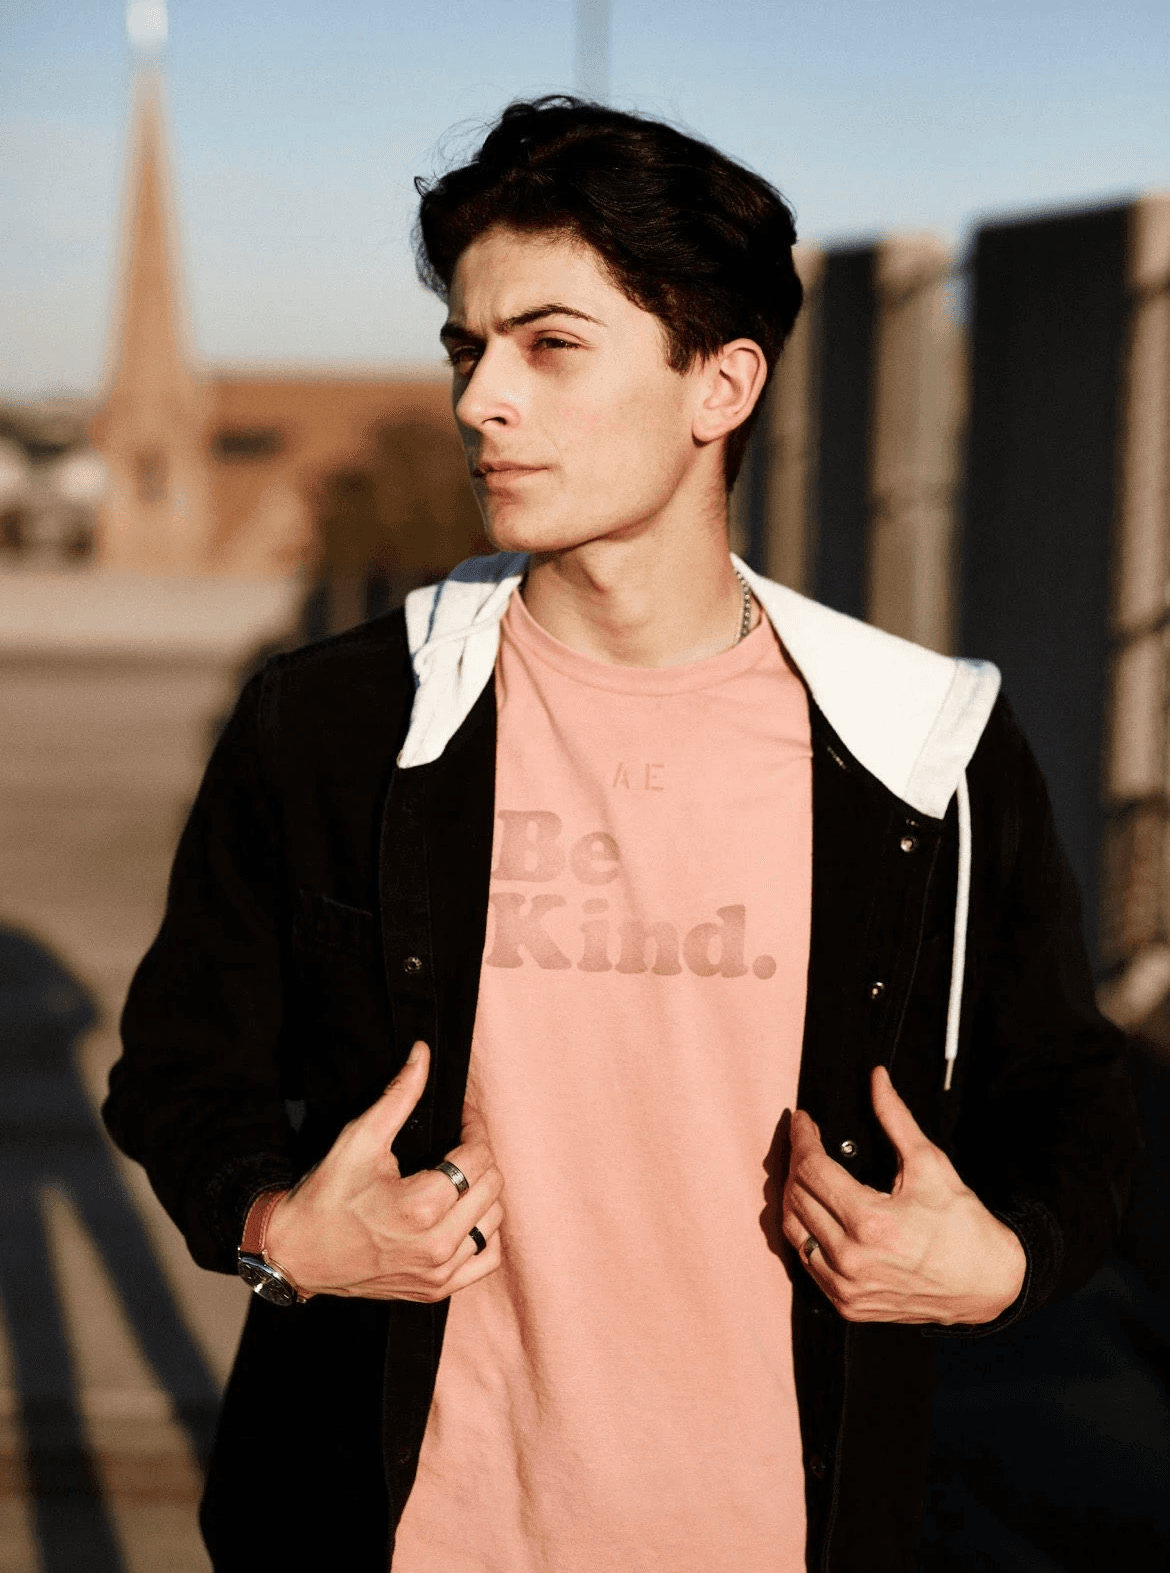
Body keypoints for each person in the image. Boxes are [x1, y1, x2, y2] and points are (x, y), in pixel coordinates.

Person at [102, 97, 1138, 1573]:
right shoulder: (338, 721)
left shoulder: (921, 747)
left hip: (778, 1531)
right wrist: (276, 1229)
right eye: (466, 349)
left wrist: (1003, 1262)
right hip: (392, 1531)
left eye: (550, 345)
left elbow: (1068, 1091)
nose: (480, 400)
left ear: (719, 385)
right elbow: (179, 1069)